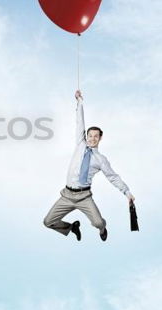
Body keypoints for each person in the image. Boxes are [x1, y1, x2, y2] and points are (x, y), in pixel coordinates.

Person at [43, 90, 135, 241]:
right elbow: (80, 122)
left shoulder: (100, 159)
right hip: (67, 195)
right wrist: (79, 102)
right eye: (90, 135)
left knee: (98, 222)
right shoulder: (80, 144)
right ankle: (72, 227)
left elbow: (113, 177)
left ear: (100, 138)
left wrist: (127, 192)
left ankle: (103, 228)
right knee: (48, 222)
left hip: (84, 196)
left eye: (95, 136)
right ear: (86, 136)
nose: (92, 139)